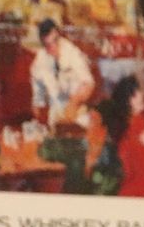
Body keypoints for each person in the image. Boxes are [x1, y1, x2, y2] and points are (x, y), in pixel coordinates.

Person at [30, 19, 96, 192]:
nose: (53, 48)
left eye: (55, 41)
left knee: (76, 161)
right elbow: (38, 98)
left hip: (78, 122)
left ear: (59, 36)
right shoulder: (40, 61)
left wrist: (74, 102)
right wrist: (39, 119)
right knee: (45, 159)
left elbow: (88, 84)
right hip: (55, 123)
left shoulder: (73, 54)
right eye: (47, 45)